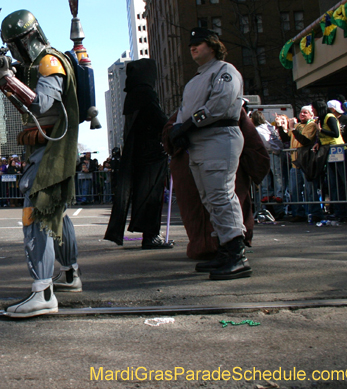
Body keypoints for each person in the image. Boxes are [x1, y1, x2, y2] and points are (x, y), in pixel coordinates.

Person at [0, 9, 81, 318]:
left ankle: (43, 292)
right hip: (49, 147)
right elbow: (26, 108)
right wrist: (5, 83)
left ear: (30, 38)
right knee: (55, 211)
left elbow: (42, 103)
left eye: (17, 45)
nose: (14, 53)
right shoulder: (37, 65)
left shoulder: (49, 62)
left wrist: (9, 78)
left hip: (52, 148)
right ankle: (69, 274)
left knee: (36, 211)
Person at [167, 27, 251, 280]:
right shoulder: (195, 80)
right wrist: (180, 129)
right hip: (200, 141)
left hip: (219, 137)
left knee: (222, 195)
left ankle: (237, 254)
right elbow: (185, 111)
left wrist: (189, 124)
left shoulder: (226, 71)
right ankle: (225, 249)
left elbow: (219, 105)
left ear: (213, 46)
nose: (193, 47)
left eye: (199, 43)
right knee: (210, 198)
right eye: (191, 44)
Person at [105, 58, 172, 249]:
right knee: (151, 195)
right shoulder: (146, 93)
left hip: (138, 152)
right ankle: (151, 236)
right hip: (151, 153)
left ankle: (149, 234)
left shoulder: (133, 95)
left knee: (142, 194)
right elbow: (158, 118)